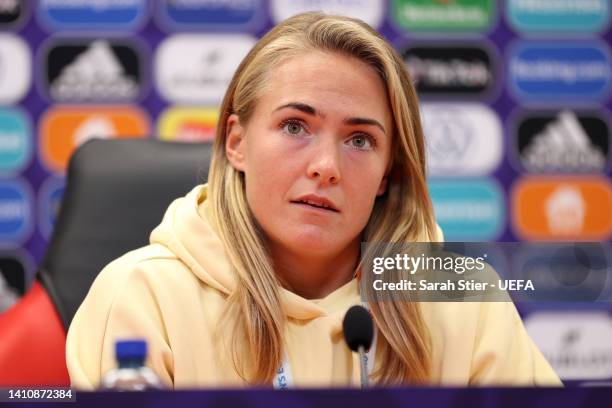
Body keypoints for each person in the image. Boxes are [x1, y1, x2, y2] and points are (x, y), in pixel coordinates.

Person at [66, 12, 561, 389]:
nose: (326, 165)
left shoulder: (463, 300)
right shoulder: (141, 295)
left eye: (360, 139)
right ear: (236, 142)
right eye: (295, 126)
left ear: (388, 172)